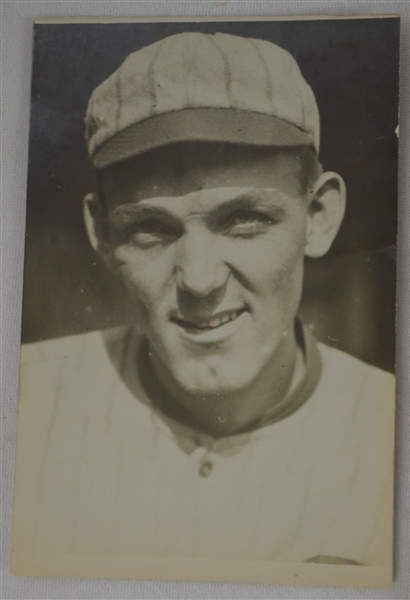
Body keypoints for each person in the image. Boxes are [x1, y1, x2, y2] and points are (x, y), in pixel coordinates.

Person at [12, 32, 394, 572]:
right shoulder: (20, 408)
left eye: (244, 220)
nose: (198, 278)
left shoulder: (392, 433)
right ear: (101, 234)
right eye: (149, 229)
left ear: (318, 217)